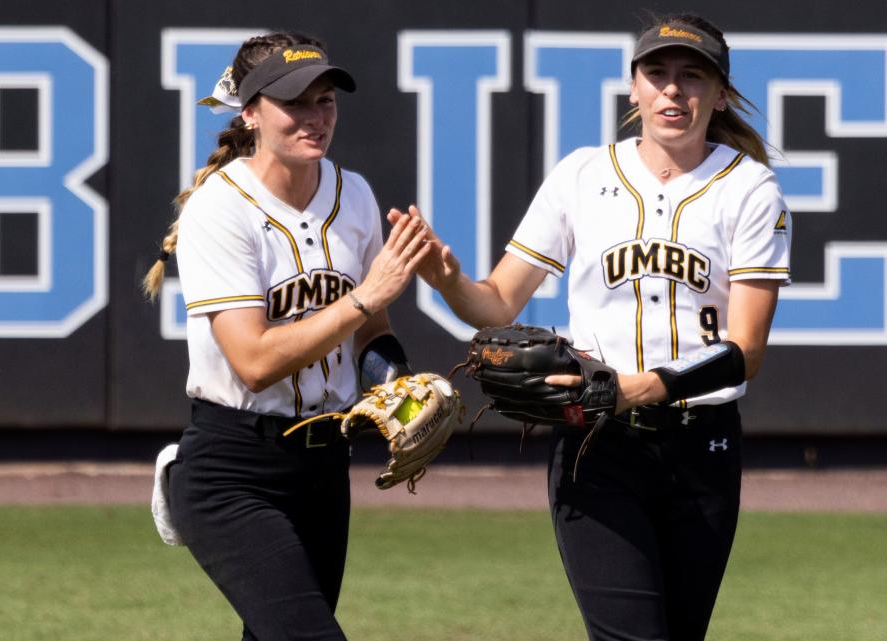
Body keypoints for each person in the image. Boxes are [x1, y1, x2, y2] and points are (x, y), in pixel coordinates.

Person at [396, 13, 791, 641]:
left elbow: (745, 351)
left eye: (692, 77)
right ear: (632, 87)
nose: (672, 90)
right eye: (656, 73)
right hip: (595, 446)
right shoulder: (583, 174)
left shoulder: (749, 189)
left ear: (720, 94)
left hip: (703, 449)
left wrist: (641, 387)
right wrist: (448, 282)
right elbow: (498, 302)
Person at [142, 31, 430, 641]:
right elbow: (252, 361)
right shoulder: (220, 209)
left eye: (325, 99)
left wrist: (398, 387)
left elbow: (371, 331)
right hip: (233, 466)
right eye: (294, 102)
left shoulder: (353, 194)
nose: (315, 116)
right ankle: (177, 479)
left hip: (324, 463)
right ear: (250, 112)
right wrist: (362, 297)